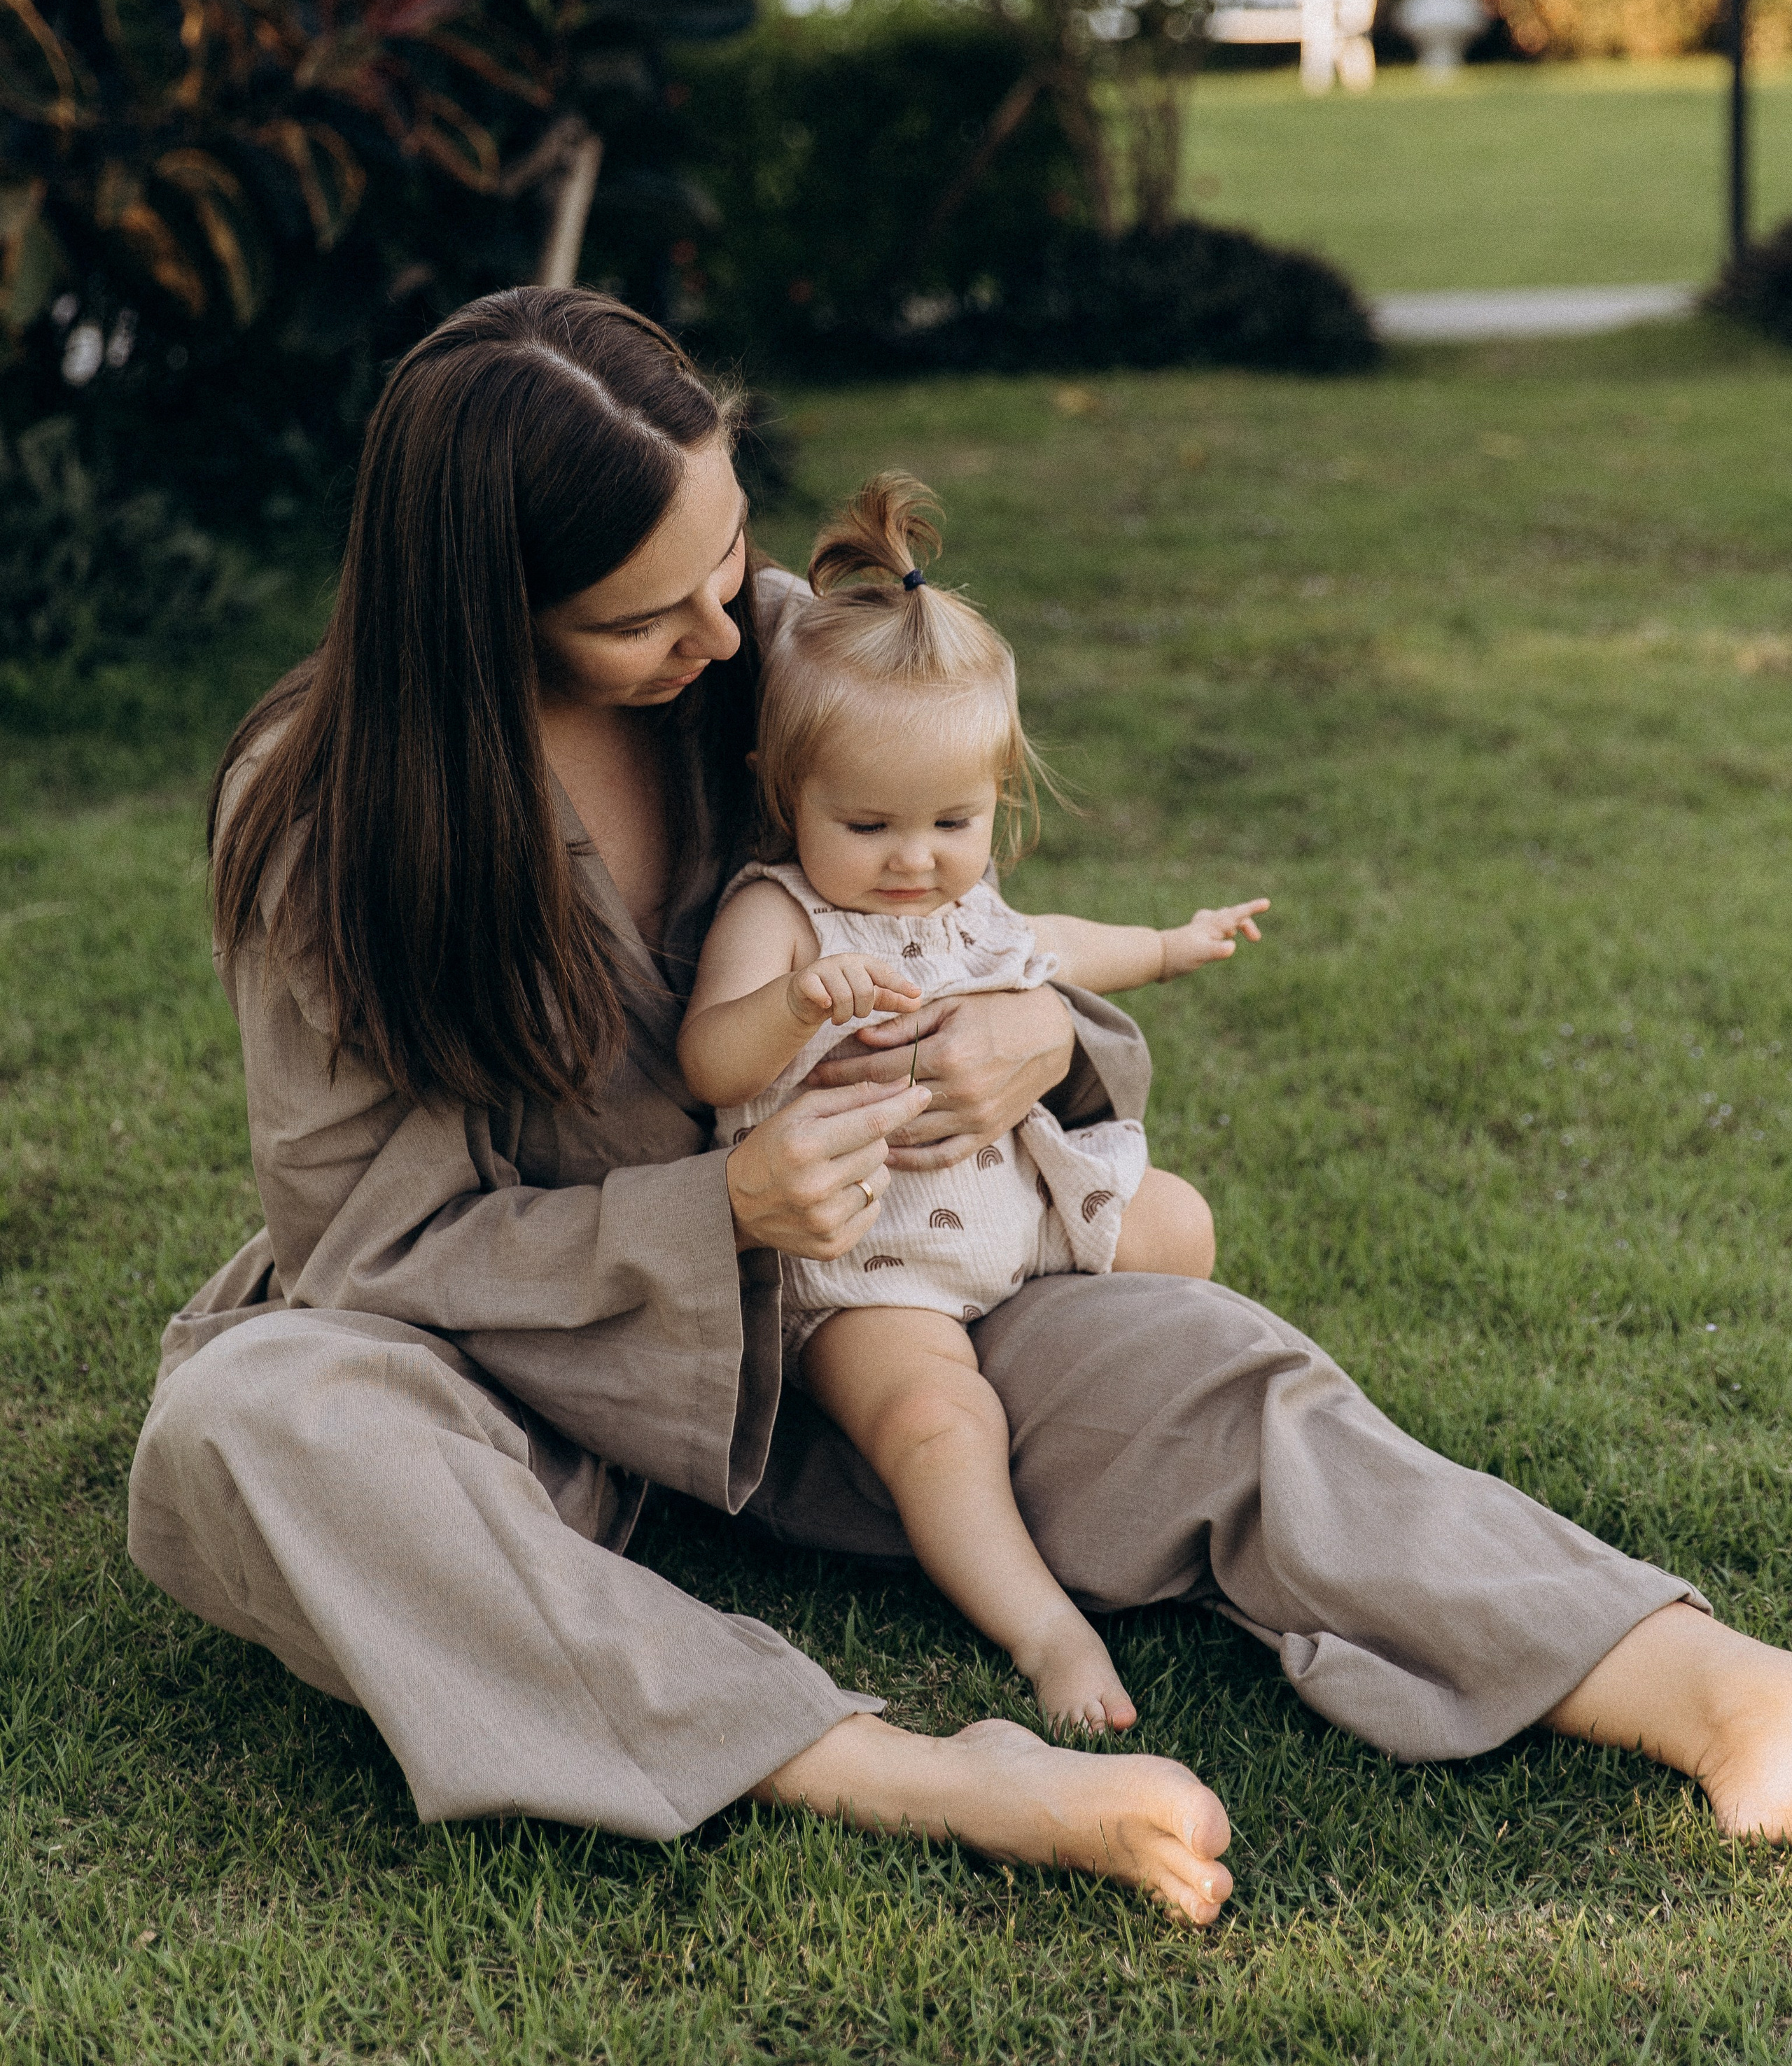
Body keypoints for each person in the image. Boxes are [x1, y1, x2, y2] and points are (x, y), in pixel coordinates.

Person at [127, 288, 1792, 1935]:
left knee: (1214, 1372)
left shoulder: (782, 659)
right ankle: (909, 1771)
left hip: (872, 1316)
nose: (724, 630)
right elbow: (366, 1246)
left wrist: (1026, 1033)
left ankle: (1707, 1683)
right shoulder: (324, 815)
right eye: (651, 620)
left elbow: (982, 932)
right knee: (259, 1422)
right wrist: (719, 1209)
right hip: (511, 1372)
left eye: (726, 562)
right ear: (484, 618)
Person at [678, 472, 1269, 1735]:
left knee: (1182, 1224)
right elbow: (707, 1066)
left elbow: (1048, 941)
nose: (916, 858)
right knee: (935, 1419)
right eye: (870, 822)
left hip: (1016, 1206)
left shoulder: (960, 899)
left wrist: (1170, 941)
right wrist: (791, 1005)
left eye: (955, 818)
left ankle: (1142, 1443)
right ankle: (1041, 1624)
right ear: (787, 798)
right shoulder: (781, 913)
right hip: (869, 1264)